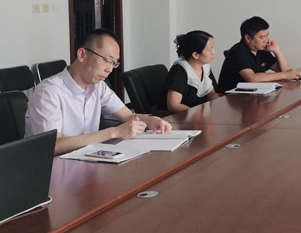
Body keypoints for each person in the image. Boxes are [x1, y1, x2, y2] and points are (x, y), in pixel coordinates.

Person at [25, 29, 171, 155]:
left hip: (87, 161)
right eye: (107, 60)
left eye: (114, 63)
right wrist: (114, 132)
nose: (109, 69)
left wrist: (152, 121)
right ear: (82, 55)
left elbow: (127, 116)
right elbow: (53, 145)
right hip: (52, 169)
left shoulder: (98, 87)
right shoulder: (49, 92)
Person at [218, 16, 301, 91]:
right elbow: (251, 78)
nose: (266, 40)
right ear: (248, 38)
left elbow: (286, 71)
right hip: (230, 99)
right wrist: (284, 75)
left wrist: (276, 50)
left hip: (251, 95)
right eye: (262, 37)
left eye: (267, 36)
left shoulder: (261, 50)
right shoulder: (239, 51)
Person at [164, 30, 221, 112]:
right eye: (210, 49)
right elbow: (173, 105)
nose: (213, 52)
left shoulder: (204, 66)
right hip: (180, 117)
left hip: (198, 114)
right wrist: (197, 113)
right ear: (196, 55)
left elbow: (211, 94)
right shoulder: (180, 70)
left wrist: (219, 104)